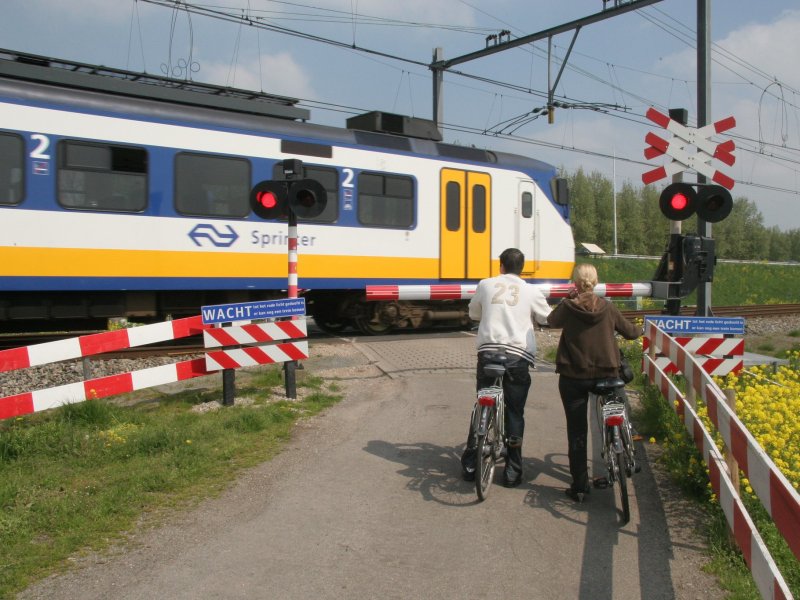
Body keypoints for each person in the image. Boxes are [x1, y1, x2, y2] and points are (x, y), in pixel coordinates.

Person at [546, 263, 641, 502]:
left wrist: (567, 299)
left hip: (573, 376)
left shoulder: (568, 306)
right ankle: (622, 447)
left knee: (577, 430)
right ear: (596, 282)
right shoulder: (608, 307)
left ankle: (579, 487)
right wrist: (641, 329)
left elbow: (551, 321)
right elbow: (631, 332)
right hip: (606, 374)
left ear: (575, 283)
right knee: (616, 410)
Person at [461, 248, 551, 487]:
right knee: (514, 412)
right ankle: (512, 471)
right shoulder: (531, 290)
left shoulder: (485, 284)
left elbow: (473, 313)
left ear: (500, 266)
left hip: (488, 354)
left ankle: (470, 464)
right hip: (517, 358)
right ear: (522, 268)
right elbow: (547, 318)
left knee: (482, 402)